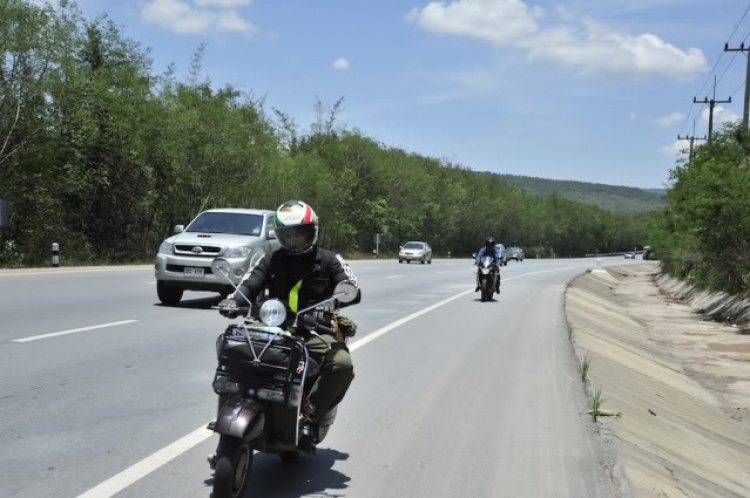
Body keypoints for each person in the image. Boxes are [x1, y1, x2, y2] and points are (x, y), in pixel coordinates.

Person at [219, 199, 360, 448]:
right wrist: (234, 300)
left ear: (313, 232)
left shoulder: (329, 260)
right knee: (233, 346)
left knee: (342, 365)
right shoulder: (270, 260)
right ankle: (233, 403)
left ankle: (310, 418)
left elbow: (351, 288)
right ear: (279, 235)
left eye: (300, 234)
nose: (294, 241)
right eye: (287, 235)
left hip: (314, 330)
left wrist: (333, 303)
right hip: (273, 327)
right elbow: (249, 285)